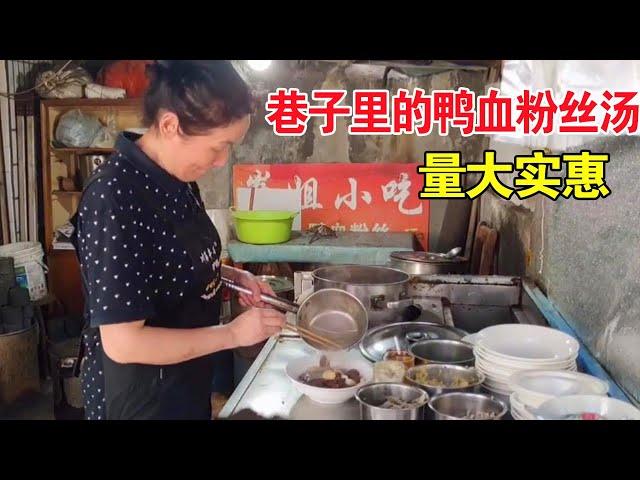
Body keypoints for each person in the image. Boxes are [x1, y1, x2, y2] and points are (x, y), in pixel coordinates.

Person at [70, 60, 286, 420]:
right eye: (219, 146)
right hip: (142, 400)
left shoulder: (178, 180)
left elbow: (171, 263)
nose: (222, 161)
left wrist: (232, 277)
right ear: (170, 125)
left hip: (186, 383)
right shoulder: (115, 196)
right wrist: (232, 334)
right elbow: (124, 343)